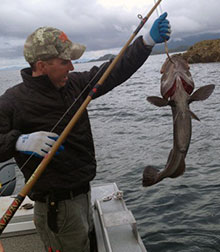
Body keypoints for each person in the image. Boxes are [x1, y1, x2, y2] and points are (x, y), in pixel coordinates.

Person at [0, 13, 171, 252]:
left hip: (83, 195)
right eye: (64, 62)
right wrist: (19, 141)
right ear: (41, 66)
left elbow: (112, 71)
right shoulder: (12, 101)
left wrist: (146, 43)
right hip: (55, 209)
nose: (72, 67)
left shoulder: (74, 85)